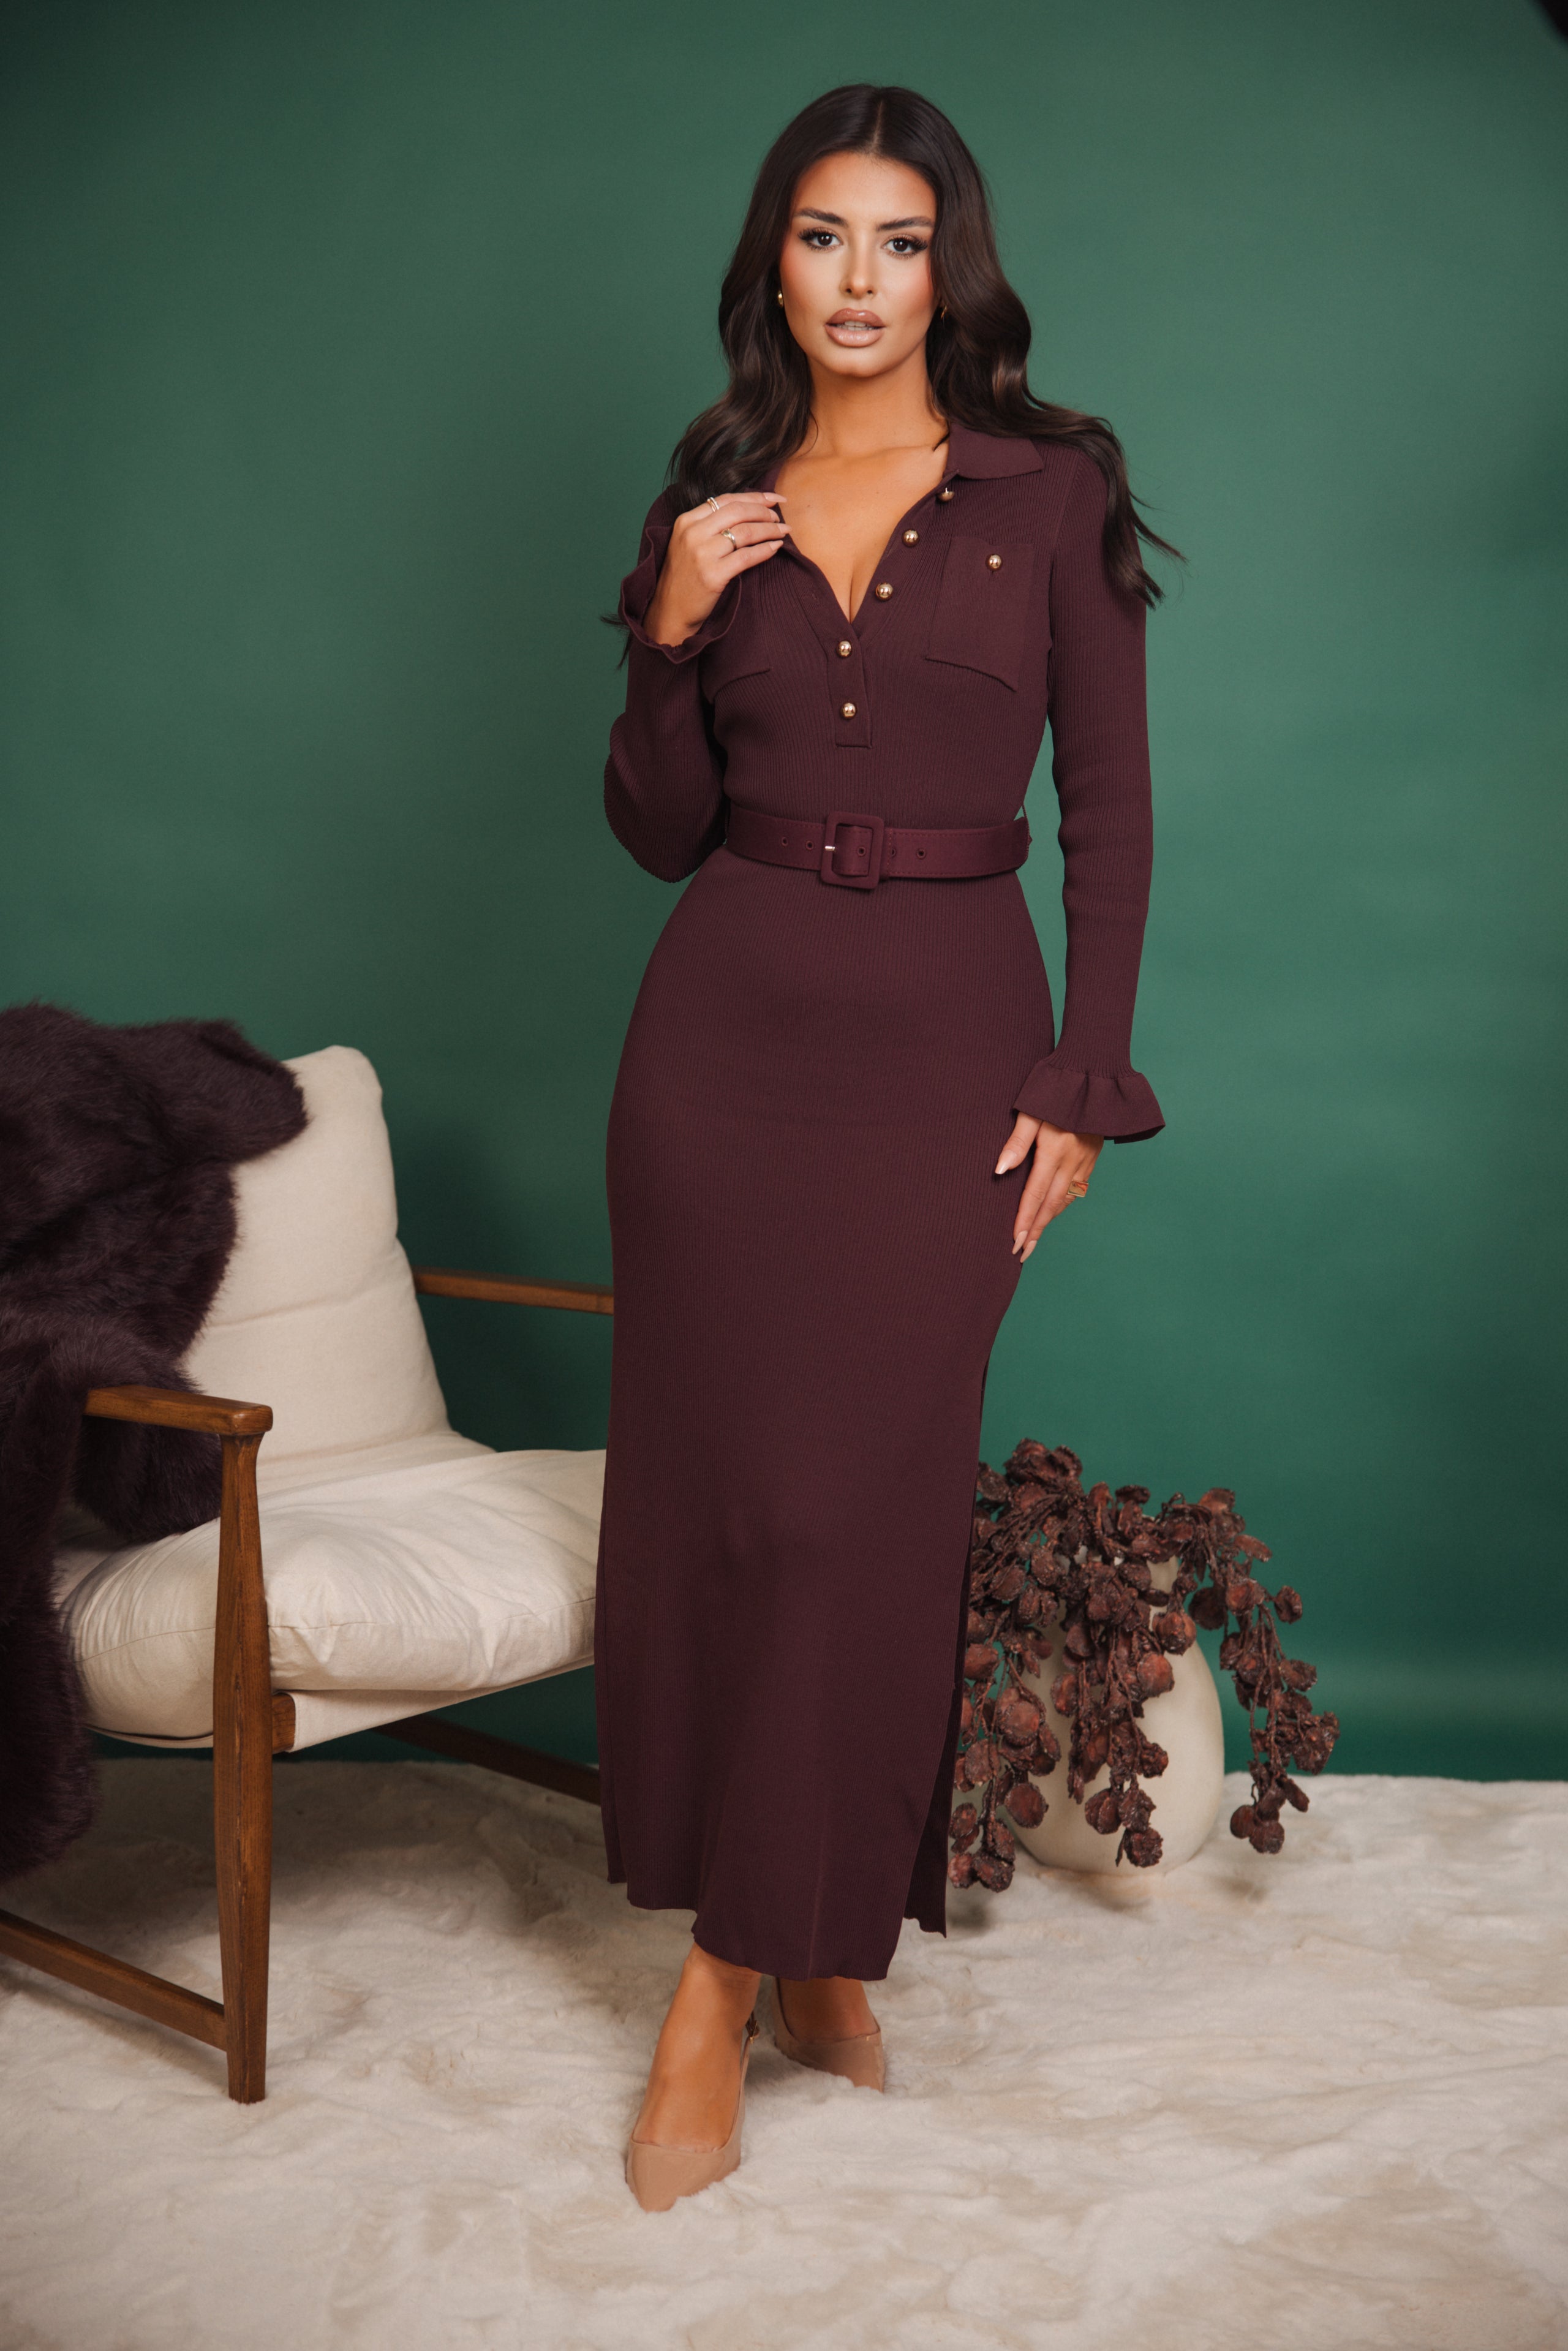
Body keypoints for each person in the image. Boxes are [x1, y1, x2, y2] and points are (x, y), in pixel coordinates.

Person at [597, 82, 1175, 2211]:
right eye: (823, 240)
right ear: (775, 264)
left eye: (900, 241)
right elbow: (659, 829)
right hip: (714, 1054)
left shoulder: (1047, 490)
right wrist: (665, 632)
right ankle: (821, 1955)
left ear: (954, 266)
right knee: (733, 1516)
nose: (859, 281)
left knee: (854, 1512)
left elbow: (1109, 812)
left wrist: (1079, 1081)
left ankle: (718, 1982)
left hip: (950, 1061)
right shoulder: (713, 491)